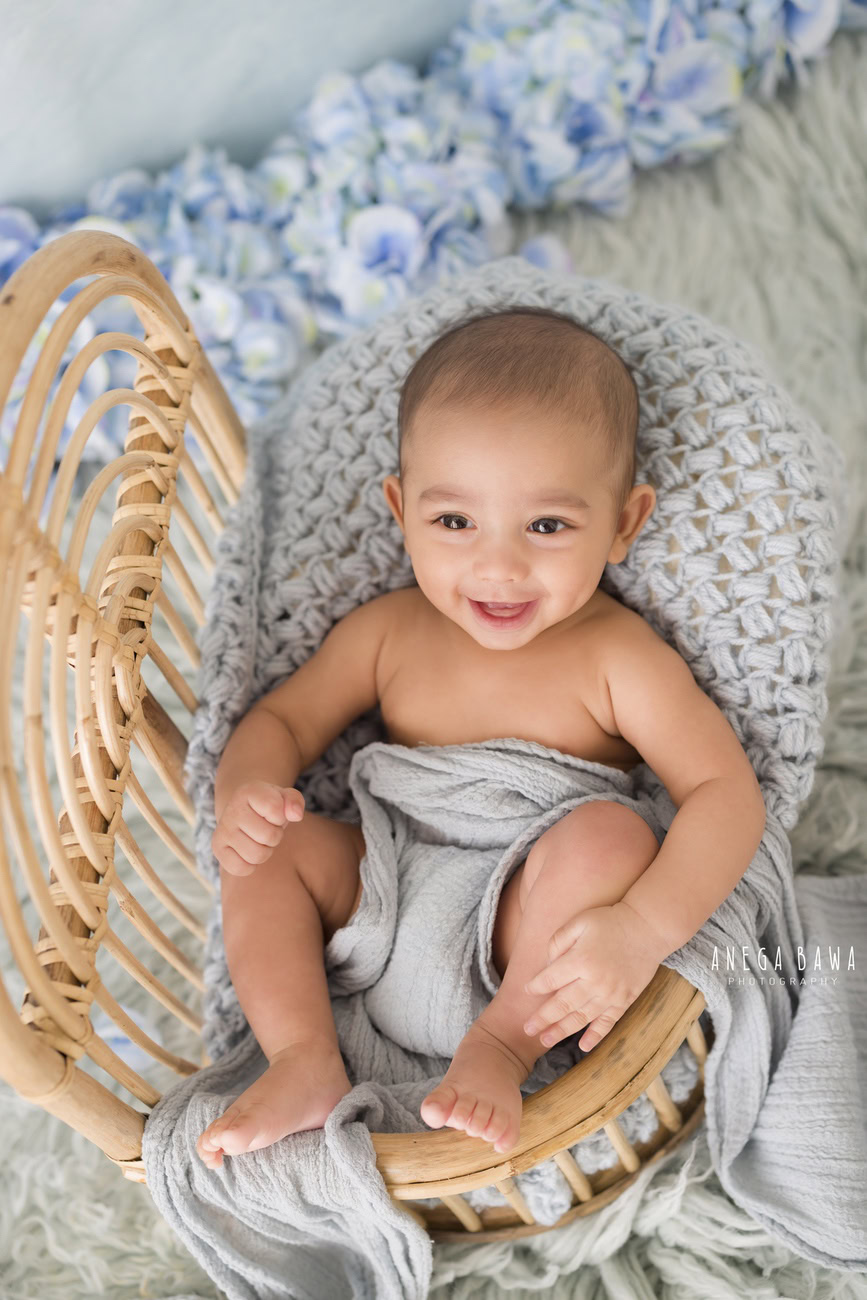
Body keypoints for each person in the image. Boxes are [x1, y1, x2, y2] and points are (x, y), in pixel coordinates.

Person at [196, 307, 766, 1169]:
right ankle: (302, 1056)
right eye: (454, 522)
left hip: (523, 918)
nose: (497, 567)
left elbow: (726, 795)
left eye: (546, 526)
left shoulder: (619, 656)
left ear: (624, 522)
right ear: (399, 508)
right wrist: (249, 789)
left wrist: (642, 929)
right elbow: (279, 720)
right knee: (265, 853)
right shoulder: (387, 632)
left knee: (611, 836)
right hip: (382, 886)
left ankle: (498, 1049)